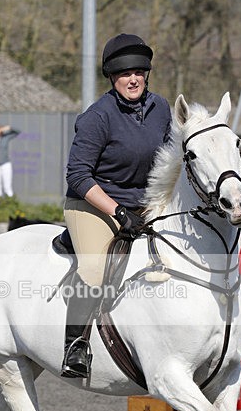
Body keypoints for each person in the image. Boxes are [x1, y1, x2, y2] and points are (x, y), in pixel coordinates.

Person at [61, 33, 172, 378]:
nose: (133, 79)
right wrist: (117, 211)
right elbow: (78, 175)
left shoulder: (161, 109)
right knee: (95, 272)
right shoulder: (98, 116)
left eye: (139, 72)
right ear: (112, 77)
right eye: (125, 74)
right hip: (94, 203)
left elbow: (171, 160)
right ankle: (75, 346)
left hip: (145, 206)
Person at [0, 123, 20, 197]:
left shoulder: (5, 137)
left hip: (5, 163)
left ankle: (10, 199)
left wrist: (9, 128)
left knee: (7, 185)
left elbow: (18, 132)